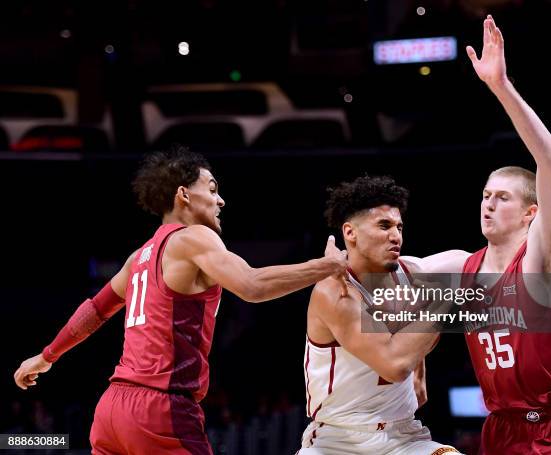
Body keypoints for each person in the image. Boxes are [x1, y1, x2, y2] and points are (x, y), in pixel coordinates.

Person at [14, 146, 348, 455]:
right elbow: (252, 285)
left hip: (111, 410)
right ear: (184, 195)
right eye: (213, 189)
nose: (221, 201)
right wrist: (327, 265)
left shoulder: (139, 257)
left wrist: (46, 356)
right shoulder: (194, 237)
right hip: (160, 410)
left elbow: (94, 311)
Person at [405, 15, 551, 453]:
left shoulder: (543, 256)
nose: (488, 204)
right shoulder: (461, 267)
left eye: (501, 197)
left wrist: (500, 86)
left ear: (530, 213)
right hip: (503, 430)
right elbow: (399, 272)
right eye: (485, 195)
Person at [298, 176, 460, 455]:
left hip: (404, 437)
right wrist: (448, 298)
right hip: (337, 442)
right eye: (384, 226)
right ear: (350, 233)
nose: (396, 235)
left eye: (399, 227)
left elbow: (488, 261)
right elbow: (394, 365)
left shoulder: (415, 273)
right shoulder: (334, 292)